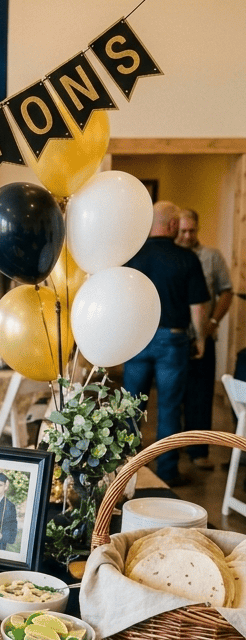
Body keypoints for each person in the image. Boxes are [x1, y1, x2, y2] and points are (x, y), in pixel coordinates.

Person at [123, 201, 210, 487]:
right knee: (170, 407)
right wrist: (201, 338)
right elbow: (198, 306)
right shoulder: (187, 258)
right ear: (173, 226)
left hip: (136, 338)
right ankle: (167, 471)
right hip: (172, 340)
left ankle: (125, 467)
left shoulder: (131, 256)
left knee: (130, 407)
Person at [176, 209, 233, 469]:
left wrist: (212, 322)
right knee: (173, 397)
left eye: (192, 231)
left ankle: (199, 451)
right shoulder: (171, 256)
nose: (188, 235)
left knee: (201, 396)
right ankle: (171, 450)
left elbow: (226, 291)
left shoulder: (211, 256)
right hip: (175, 338)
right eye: (183, 230)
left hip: (203, 337)